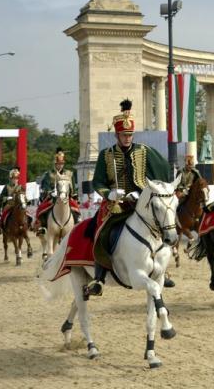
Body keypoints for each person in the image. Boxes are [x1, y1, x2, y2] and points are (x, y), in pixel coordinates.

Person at [84, 99, 172, 298]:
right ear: (117, 135)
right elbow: (97, 182)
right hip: (115, 204)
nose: (127, 138)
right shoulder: (106, 155)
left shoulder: (144, 151)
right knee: (99, 230)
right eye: (124, 135)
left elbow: (163, 170)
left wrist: (147, 192)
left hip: (140, 201)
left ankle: (163, 270)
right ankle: (98, 277)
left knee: (162, 225)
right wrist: (109, 193)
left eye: (130, 134)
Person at [35, 147, 80, 233]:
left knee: (76, 208)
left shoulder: (69, 174)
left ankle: (77, 223)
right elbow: (45, 186)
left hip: (66, 197)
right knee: (41, 208)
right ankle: (41, 226)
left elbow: (73, 187)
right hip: (53, 197)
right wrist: (50, 192)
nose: (60, 165)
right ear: (55, 164)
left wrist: (73, 195)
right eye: (58, 163)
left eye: (62, 163)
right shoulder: (49, 174)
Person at [0, 168, 28, 234]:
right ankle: (0, 226)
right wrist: (7, 198)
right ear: (11, 179)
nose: (15, 180)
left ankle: (29, 225)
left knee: (26, 213)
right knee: (4, 213)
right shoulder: (6, 187)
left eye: (17, 178)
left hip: (19, 205)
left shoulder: (20, 187)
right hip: (9, 204)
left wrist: (26, 199)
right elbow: (1, 197)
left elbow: (24, 196)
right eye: (14, 178)